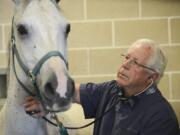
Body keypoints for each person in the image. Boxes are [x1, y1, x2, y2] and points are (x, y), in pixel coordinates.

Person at [24, 39, 180, 135]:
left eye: (135, 63)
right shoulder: (111, 90)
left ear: (151, 77)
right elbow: (72, 92)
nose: (125, 65)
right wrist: (47, 103)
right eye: (126, 57)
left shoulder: (161, 117)